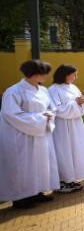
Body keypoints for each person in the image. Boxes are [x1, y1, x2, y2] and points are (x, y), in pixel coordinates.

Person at [0, 60, 59, 208]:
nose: (46, 76)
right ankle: (20, 197)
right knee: (23, 166)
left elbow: (51, 107)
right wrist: (40, 118)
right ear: (35, 74)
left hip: (40, 134)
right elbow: (11, 114)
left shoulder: (43, 90)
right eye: (44, 73)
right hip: (21, 135)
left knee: (39, 164)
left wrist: (49, 115)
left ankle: (37, 191)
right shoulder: (14, 91)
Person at [48, 64, 84, 193]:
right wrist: (75, 103)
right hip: (62, 126)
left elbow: (82, 106)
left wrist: (82, 103)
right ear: (65, 75)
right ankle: (62, 181)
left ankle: (71, 178)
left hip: (76, 125)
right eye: (74, 75)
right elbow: (57, 109)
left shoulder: (73, 88)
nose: (76, 77)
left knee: (75, 150)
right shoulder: (53, 89)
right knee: (64, 151)